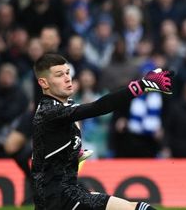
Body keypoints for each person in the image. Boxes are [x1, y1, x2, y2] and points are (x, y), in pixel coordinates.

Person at [31, 53, 174, 210]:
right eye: (59, 75)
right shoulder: (50, 110)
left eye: (67, 73)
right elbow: (98, 107)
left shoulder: (62, 108)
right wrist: (141, 86)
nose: (67, 78)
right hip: (60, 199)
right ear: (44, 83)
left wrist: (72, 154)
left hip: (64, 195)